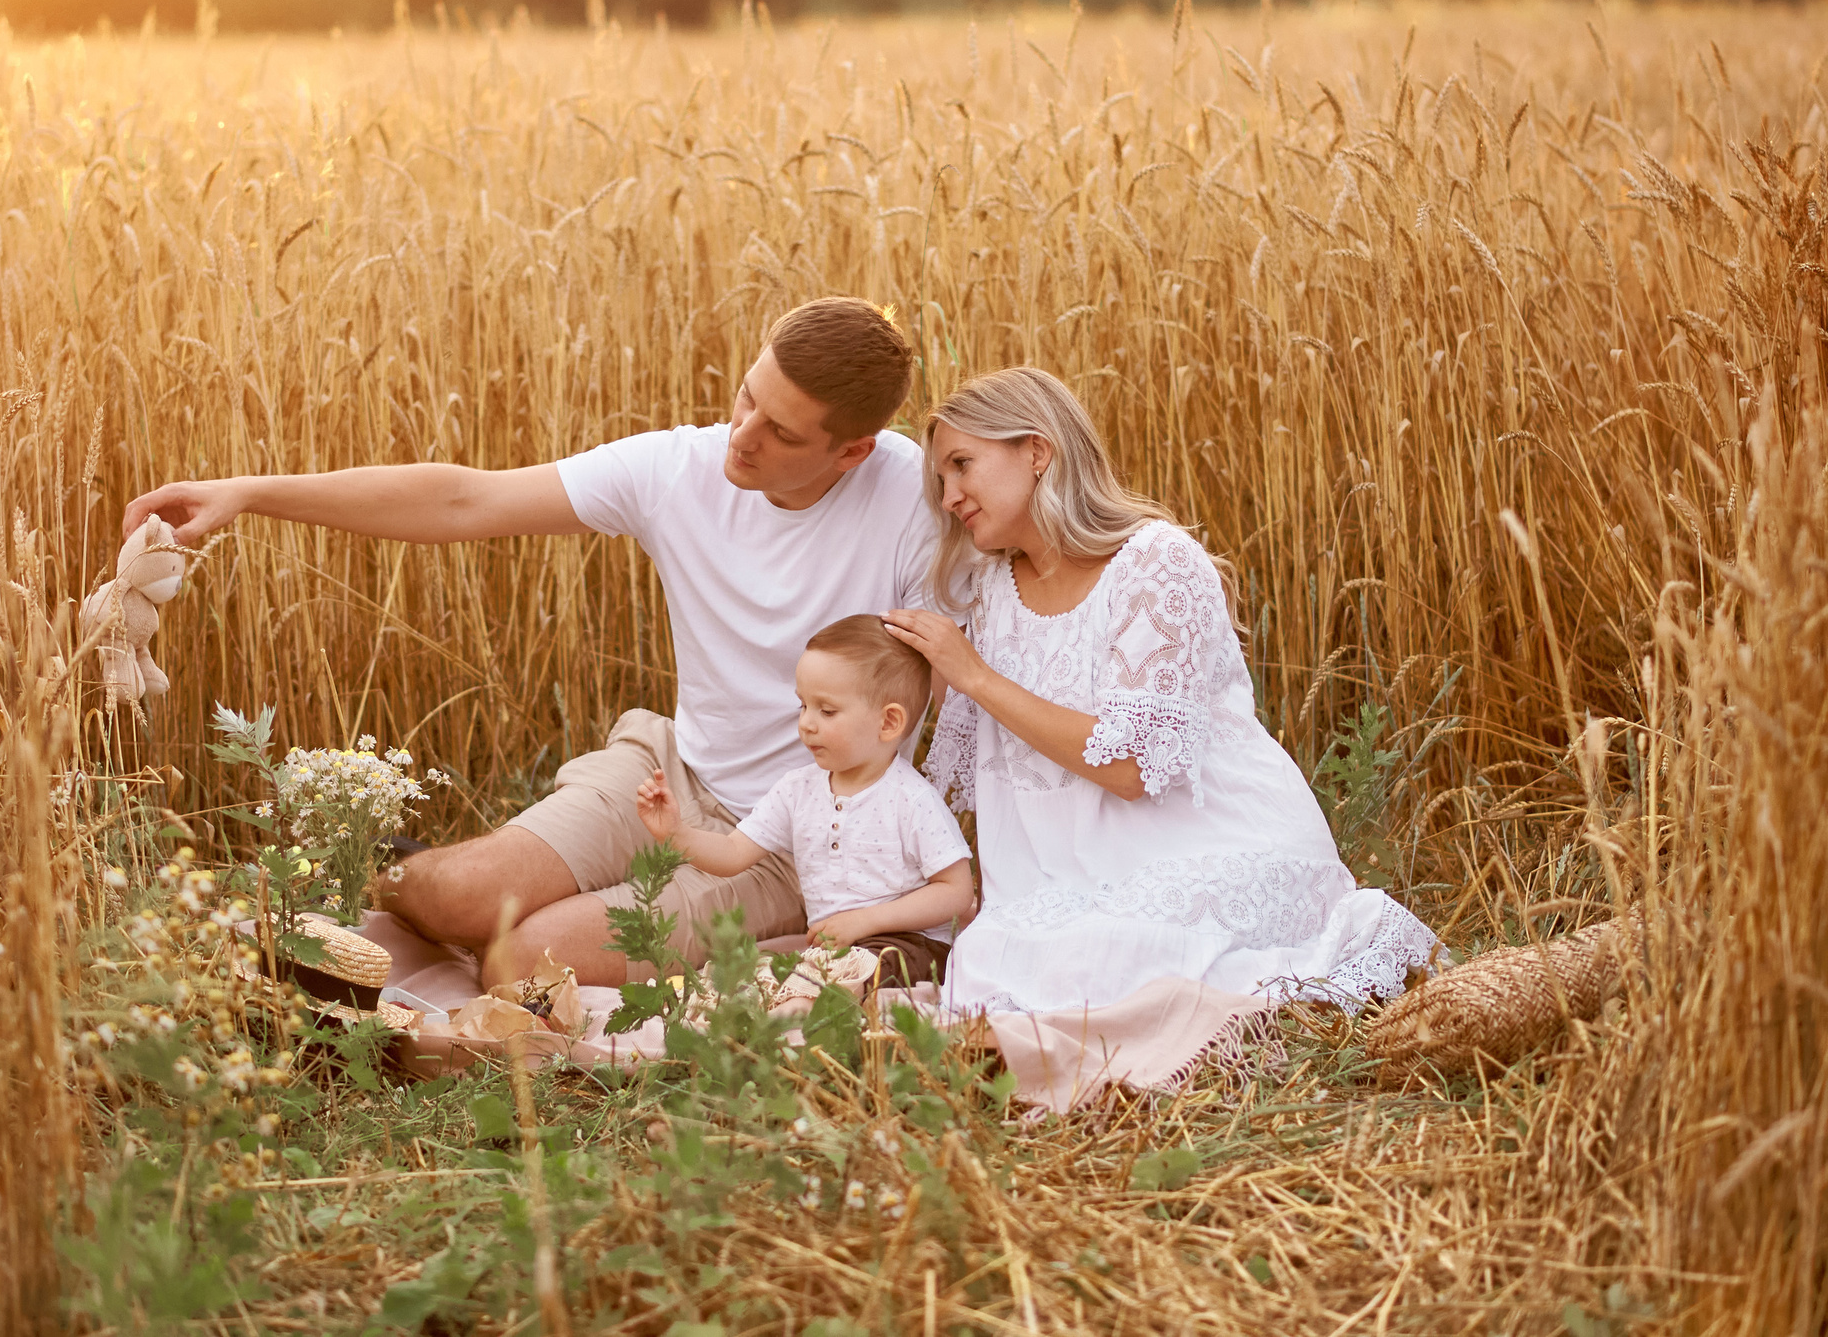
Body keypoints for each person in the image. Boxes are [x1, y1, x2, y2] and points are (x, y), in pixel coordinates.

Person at [122, 297, 938, 987]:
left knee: (522, 960)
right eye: (746, 397)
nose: (742, 435)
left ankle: (813, 949)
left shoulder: (915, 498)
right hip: (667, 770)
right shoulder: (675, 470)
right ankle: (336, 904)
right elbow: (463, 502)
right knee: (452, 893)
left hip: (796, 836)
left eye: (782, 432)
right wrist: (252, 492)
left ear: (852, 450)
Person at [880, 367, 1439, 1017]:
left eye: (961, 465)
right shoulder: (992, 592)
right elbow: (982, 749)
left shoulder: (1154, 561)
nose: (949, 496)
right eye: (940, 480)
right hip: (1063, 878)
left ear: (1036, 450)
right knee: (995, 963)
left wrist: (974, 671)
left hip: (1208, 847)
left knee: (1115, 958)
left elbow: (1129, 768)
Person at [634, 615, 975, 987]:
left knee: (830, 984)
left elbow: (957, 892)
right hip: (832, 952)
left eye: (826, 711)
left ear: (888, 722)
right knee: (760, 983)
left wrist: (866, 920)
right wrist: (677, 833)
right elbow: (733, 853)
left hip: (908, 946)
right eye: (803, 706)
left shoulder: (911, 800)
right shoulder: (797, 790)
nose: (807, 724)